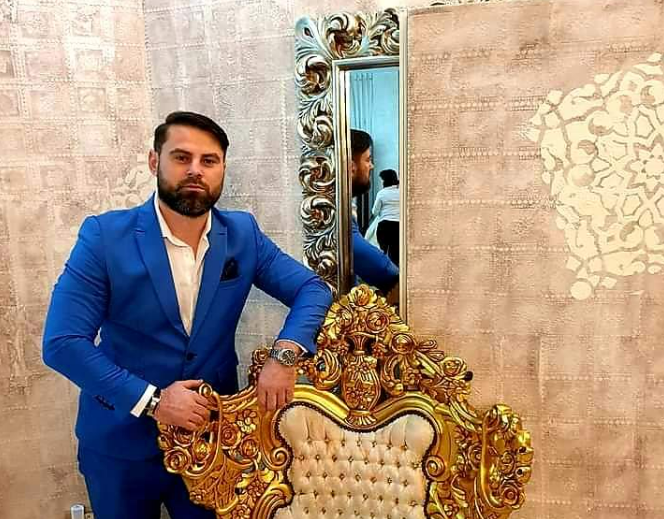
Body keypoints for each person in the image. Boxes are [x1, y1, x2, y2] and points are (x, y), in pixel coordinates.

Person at [42, 111, 333, 519]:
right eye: (181, 157)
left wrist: (285, 354)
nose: (196, 170)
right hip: (120, 443)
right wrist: (154, 401)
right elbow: (62, 343)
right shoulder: (104, 237)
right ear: (154, 161)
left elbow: (312, 289)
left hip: (211, 439)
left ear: (222, 169)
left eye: (208, 160)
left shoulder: (242, 234)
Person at [349, 129, 399, 293]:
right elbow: (358, 251)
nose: (371, 166)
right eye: (368, 160)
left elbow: (375, 210)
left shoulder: (382, 194)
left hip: (385, 225)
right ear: (350, 166)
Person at [373, 168, 400, 266]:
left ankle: (383, 269)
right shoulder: (401, 193)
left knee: (382, 251)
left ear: (385, 181)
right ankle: (395, 271)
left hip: (384, 226)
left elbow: (374, 212)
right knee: (395, 253)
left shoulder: (381, 193)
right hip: (398, 226)